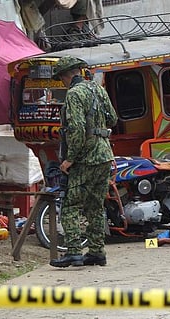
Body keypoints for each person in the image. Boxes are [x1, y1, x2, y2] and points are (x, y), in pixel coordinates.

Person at [49, 56, 118, 267]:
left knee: (70, 205)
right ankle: (97, 252)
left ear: (64, 75)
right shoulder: (98, 89)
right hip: (104, 155)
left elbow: (77, 129)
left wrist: (70, 159)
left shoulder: (74, 94)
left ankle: (73, 252)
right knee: (95, 206)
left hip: (85, 159)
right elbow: (113, 119)